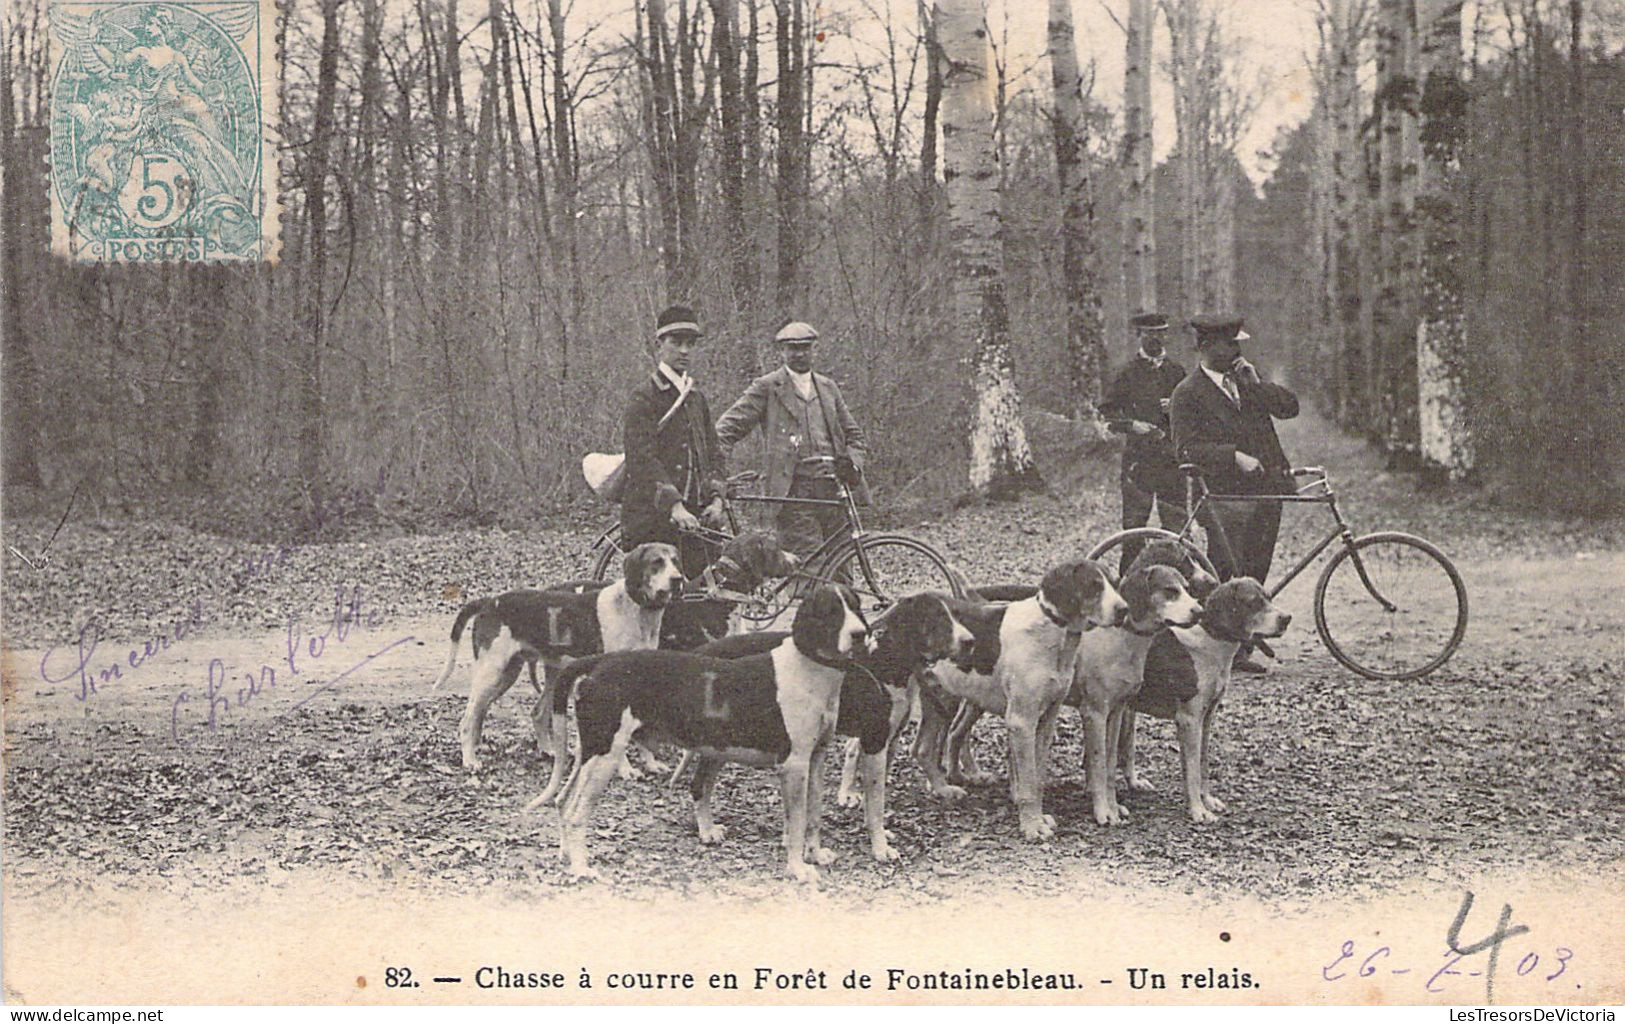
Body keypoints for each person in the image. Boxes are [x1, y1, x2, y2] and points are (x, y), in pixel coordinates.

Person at [1168, 314, 1299, 674]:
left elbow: (1289, 408)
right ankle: (1207, 647)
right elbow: (1185, 449)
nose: (1238, 350)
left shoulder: (1245, 382)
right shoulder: (1188, 393)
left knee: (1255, 570)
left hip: (1265, 493)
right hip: (1223, 496)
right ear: (1207, 347)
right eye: (1231, 345)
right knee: (1225, 572)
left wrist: (1257, 384)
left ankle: (1238, 649)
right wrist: (1233, 456)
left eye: (1238, 344)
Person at [716, 321, 870, 569]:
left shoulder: (828, 388)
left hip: (833, 489)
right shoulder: (767, 387)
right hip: (793, 491)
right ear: (781, 352)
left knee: (843, 563)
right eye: (792, 348)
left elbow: (855, 436)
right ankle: (809, 606)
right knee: (810, 566)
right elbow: (725, 430)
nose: (799, 353)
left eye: (805, 347)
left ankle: (844, 607)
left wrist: (852, 464)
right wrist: (718, 471)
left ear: (814, 350)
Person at [620, 305, 727, 578]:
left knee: (707, 597)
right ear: (660, 345)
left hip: (697, 518)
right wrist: (675, 505)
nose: (684, 351)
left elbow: (713, 453)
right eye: (676, 342)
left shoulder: (696, 398)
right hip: (654, 519)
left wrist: (716, 499)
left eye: (690, 344)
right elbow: (641, 460)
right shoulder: (644, 397)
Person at [1101, 311, 1189, 575]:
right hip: (1138, 463)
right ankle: (1129, 585)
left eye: (1160, 332)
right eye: (1150, 333)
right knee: (1134, 528)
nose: (1156, 338)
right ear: (1139, 335)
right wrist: (1132, 425)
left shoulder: (1177, 372)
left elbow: (1195, 413)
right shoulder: (1127, 373)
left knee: (1176, 527)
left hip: (1171, 461)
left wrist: (1175, 406)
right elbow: (1107, 411)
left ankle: (1182, 584)